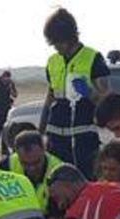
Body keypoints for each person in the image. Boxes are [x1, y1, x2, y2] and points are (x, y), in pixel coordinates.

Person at [38, 7, 110, 176]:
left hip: (84, 140)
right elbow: (49, 98)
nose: (55, 46)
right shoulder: (52, 61)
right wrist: (39, 133)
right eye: (52, 42)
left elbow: (107, 101)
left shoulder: (93, 58)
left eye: (58, 41)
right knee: (56, 183)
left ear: (70, 37)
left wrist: (89, 93)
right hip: (56, 138)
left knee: (86, 183)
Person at [0, 130, 64, 209]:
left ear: (44, 150)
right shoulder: (7, 165)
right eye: (25, 163)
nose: (32, 168)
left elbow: (58, 215)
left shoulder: (58, 170)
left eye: (36, 162)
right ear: (16, 153)